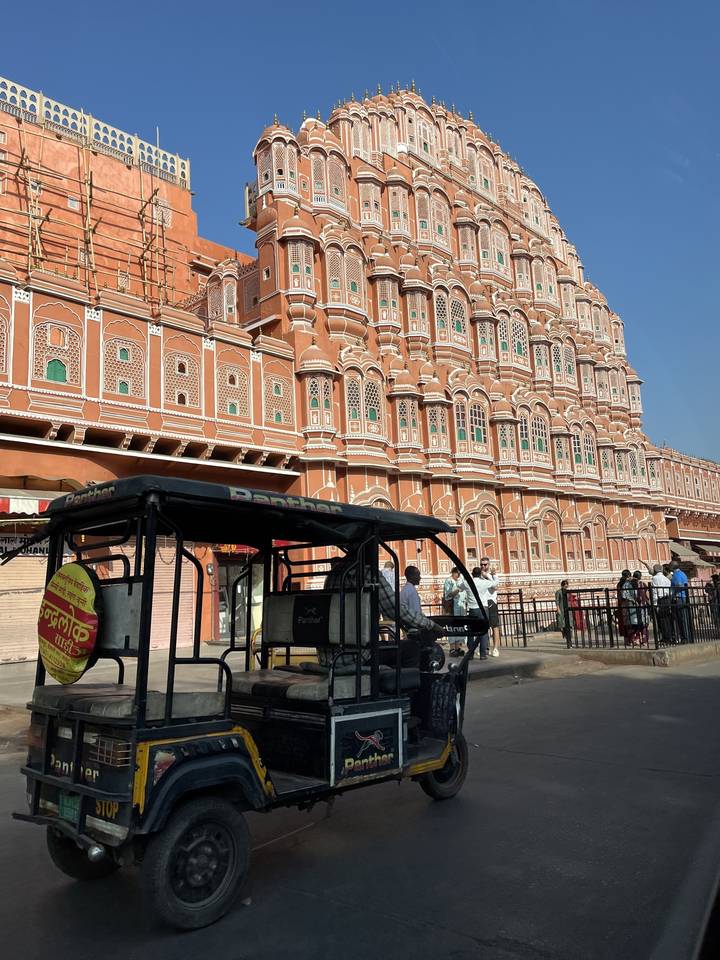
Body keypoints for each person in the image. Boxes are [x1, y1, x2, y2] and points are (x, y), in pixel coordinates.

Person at [321, 554, 445, 669]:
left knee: (390, 645)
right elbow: (395, 609)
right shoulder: (367, 573)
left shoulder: (334, 574)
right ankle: (408, 691)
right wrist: (431, 624)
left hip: (329, 656)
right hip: (355, 656)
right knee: (412, 648)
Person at [474, 557, 501, 657]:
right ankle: (484, 648)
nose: (483, 566)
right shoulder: (478, 577)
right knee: (483, 627)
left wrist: (488, 577)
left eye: (485, 564)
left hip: (491, 602)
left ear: (488, 565)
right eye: (481, 564)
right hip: (482, 603)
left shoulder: (493, 576)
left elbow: (495, 587)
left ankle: (495, 648)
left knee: (494, 626)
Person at [466, 566, 490, 660]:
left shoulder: (468, 583)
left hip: (472, 609)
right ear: (480, 574)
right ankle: (483, 654)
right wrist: (488, 575)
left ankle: (471, 653)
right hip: (483, 608)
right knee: (483, 632)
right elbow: (495, 583)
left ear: (472, 574)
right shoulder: (484, 582)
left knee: (471, 632)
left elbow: (460, 585)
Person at [443, 567, 467, 657]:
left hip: (460, 607)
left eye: (459, 573)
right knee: (452, 627)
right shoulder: (449, 581)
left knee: (459, 627)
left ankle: (458, 647)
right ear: (453, 573)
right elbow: (448, 595)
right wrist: (457, 590)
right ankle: (452, 648)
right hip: (452, 607)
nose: (458, 575)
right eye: (457, 573)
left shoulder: (460, 580)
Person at [649, 563, 673, 645]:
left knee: (661, 620)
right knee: (667, 619)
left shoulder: (655, 578)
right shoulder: (666, 579)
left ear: (655, 570)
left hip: (660, 600)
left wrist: (655, 603)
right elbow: (669, 590)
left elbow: (654, 591)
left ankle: (665, 638)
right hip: (667, 599)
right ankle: (668, 637)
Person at [670, 561, 691, 643]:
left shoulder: (676, 575)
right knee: (684, 618)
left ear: (672, 566)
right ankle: (686, 636)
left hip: (679, 598)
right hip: (683, 597)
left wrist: (674, 591)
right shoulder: (683, 573)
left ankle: (684, 637)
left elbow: (679, 585)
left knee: (681, 619)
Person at [616, 569, 636, 646]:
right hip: (628, 603)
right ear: (628, 575)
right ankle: (631, 639)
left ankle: (626, 640)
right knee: (630, 622)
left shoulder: (619, 583)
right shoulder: (627, 583)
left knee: (624, 623)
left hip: (622, 604)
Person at [632, 571, 650, 646]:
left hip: (634, 606)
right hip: (643, 606)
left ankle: (637, 639)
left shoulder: (632, 585)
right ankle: (645, 640)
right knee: (644, 623)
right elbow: (647, 595)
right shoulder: (643, 584)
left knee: (636, 624)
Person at [555, 579, 572, 644]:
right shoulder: (558, 592)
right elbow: (557, 600)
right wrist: (558, 608)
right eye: (565, 585)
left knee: (569, 621)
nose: (566, 587)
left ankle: (569, 636)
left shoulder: (567, 592)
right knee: (561, 622)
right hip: (561, 608)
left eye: (567, 585)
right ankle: (564, 633)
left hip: (567, 608)